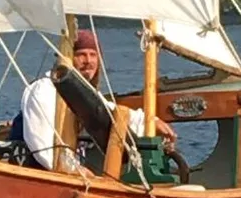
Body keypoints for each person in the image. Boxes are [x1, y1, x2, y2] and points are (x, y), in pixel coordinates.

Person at [17, 27, 175, 171]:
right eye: (81, 55)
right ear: (67, 57)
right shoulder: (44, 90)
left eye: (93, 55)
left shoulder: (86, 94)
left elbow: (110, 113)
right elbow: (42, 145)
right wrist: (75, 172)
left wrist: (151, 122)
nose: (88, 61)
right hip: (41, 176)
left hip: (75, 175)